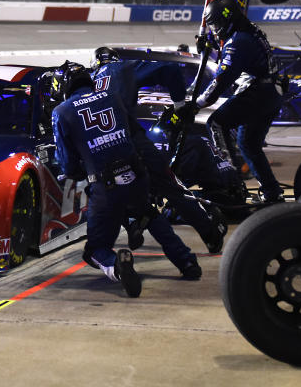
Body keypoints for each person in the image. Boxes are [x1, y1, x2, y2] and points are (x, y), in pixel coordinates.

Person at [50, 62, 203, 297]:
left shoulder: (62, 112)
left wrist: (82, 169)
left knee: (95, 249)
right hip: (136, 174)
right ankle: (188, 263)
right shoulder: (113, 97)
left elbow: (68, 164)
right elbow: (135, 136)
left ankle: (118, 267)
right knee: (149, 214)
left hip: (105, 186)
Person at [91, 47, 226, 253]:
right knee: (171, 187)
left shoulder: (88, 81)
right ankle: (210, 236)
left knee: (109, 192)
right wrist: (180, 105)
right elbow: (169, 69)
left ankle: (133, 221)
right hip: (131, 139)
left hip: (100, 149)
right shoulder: (123, 68)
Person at [183, 0, 285, 203]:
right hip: (272, 91)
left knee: (216, 123)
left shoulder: (239, 41)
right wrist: (209, 49)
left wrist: (197, 104)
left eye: (215, 24)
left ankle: (231, 183)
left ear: (227, 20)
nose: (214, 29)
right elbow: (232, 59)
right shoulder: (246, 31)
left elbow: (221, 80)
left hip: (261, 91)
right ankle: (271, 192)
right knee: (248, 143)